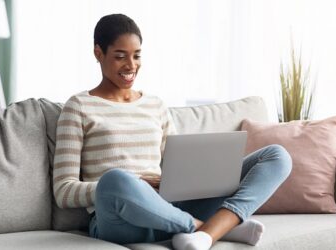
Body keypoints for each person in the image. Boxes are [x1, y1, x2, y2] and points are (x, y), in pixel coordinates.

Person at [53, 13, 292, 250]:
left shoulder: (155, 105)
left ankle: (207, 232)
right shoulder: (79, 107)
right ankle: (209, 228)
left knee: (276, 156)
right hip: (121, 221)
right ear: (98, 53)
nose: (131, 65)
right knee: (115, 179)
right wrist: (136, 184)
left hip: (171, 206)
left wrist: (197, 176)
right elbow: (63, 191)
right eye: (120, 57)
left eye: (137, 56)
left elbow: (179, 168)